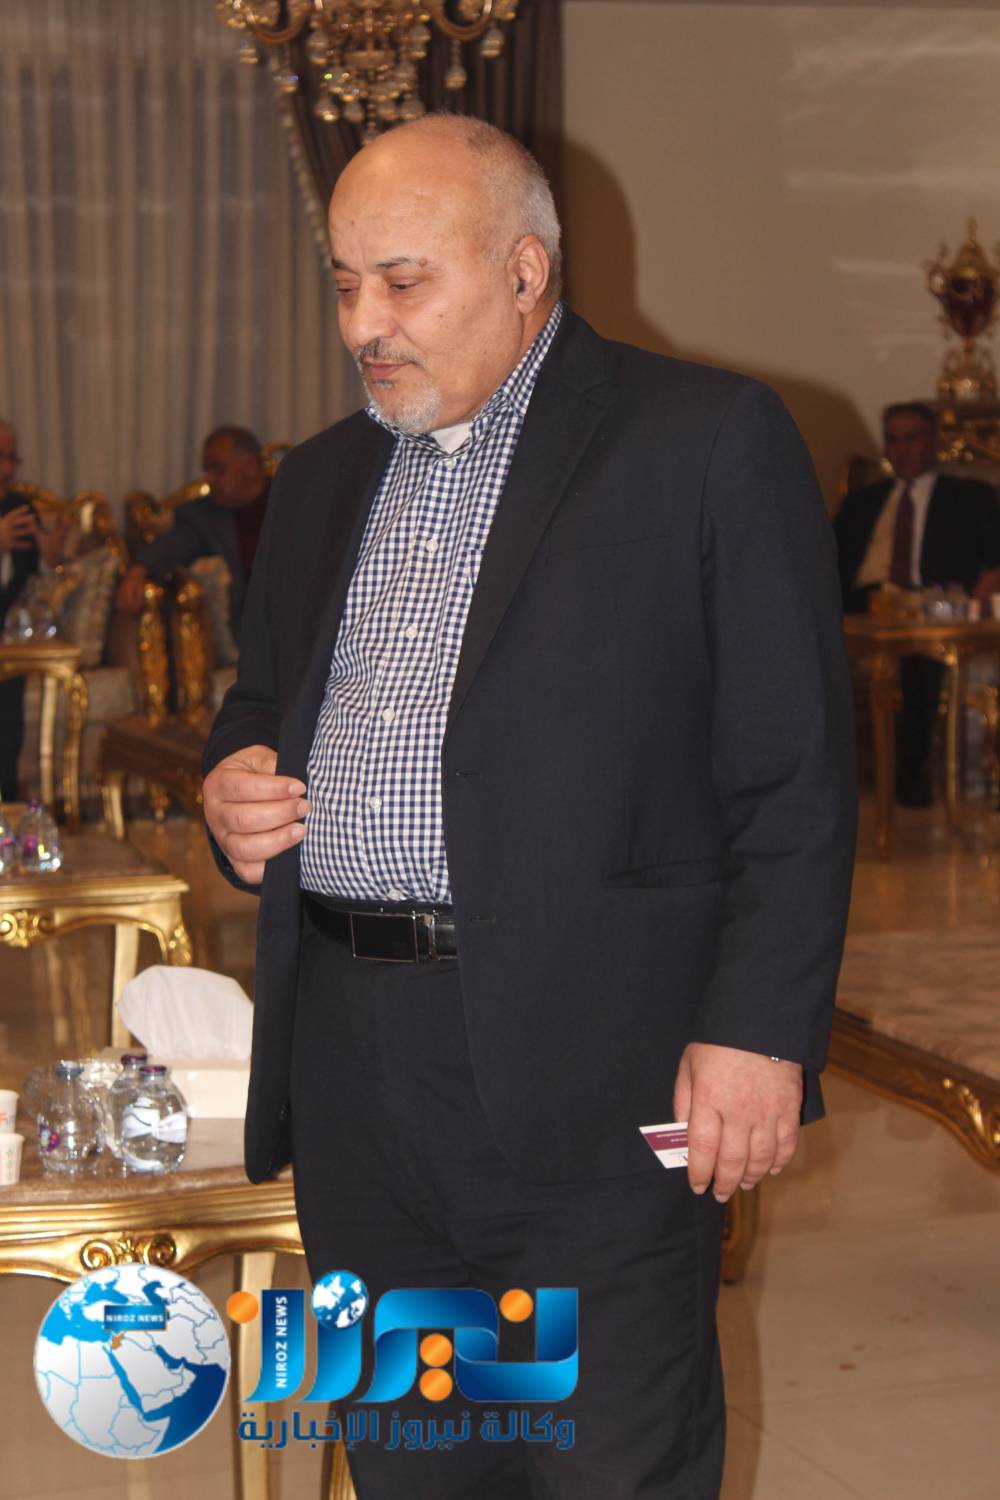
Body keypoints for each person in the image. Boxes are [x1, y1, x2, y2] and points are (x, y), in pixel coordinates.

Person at [202, 116, 856, 1499]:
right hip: (356, 1073)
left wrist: (757, 1030)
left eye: (402, 282)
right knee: (420, 1460)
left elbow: (792, 770)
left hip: (593, 1069)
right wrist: (233, 785)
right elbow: (261, 705)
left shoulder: (702, 440)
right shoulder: (322, 478)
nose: (363, 325)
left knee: (606, 1464)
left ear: (523, 271)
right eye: (344, 285)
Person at [834, 401, 1000, 806]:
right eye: (893, 440)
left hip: (932, 610)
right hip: (863, 610)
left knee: (919, 655)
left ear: (934, 442)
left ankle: (910, 770)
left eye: (912, 438)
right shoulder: (862, 503)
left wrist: (986, 587)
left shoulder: (970, 497)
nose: (902, 449)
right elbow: (827, 561)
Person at [116, 425, 269, 637]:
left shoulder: (291, 501)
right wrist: (137, 572)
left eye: (218, 469)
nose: (209, 479)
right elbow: (172, 545)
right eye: (207, 470)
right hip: (254, 628)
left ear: (251, 466)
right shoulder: (203, 515)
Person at [0, 420, 68, 799]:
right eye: (0, 458)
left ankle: (7, 807)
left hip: (9, 644)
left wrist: (49, 556)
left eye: (13, 458)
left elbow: (35, 576)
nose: (8, 469)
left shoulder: (19, 508)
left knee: (8, 729)